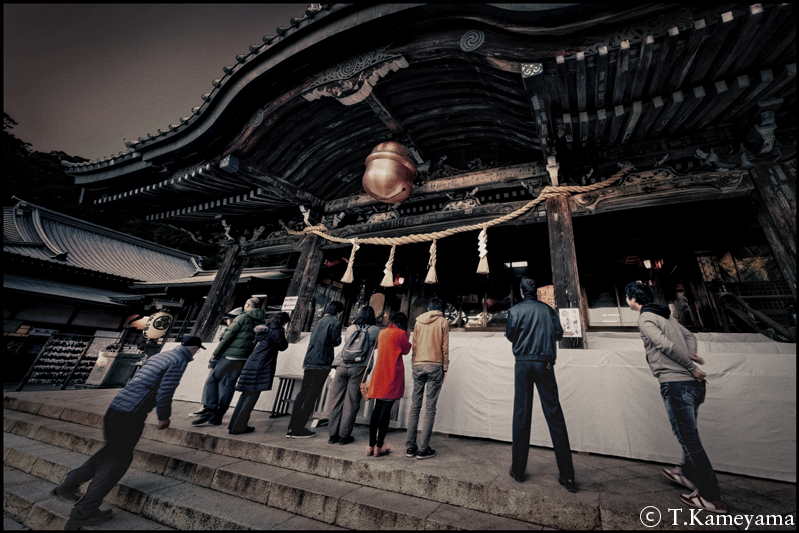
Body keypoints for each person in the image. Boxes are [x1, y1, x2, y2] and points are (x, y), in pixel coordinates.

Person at [52, 336, 204, 530]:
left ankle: (68, 485)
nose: (196, 353)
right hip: (131, 414)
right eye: (197, 350)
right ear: (192, 349)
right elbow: (166, 390)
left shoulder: (162, 356)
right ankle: (84, 512)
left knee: (111, 452)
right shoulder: (178, 360)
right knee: (117, 462)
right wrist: (163, 416)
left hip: (117, 408)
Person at [624, 282, 727, 514]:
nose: (626, 300)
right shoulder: (667, 317)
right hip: (693, 386)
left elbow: (664, 345)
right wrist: (691, 353)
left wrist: (691, 366)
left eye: (626, 297)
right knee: (689, 435)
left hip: (677, 383)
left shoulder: (645, 318)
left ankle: (711, 497)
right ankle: (685, 472)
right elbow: (689, 336)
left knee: (689, 440)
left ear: (632, 298)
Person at [505, 277, 577, 492]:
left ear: (521, 291)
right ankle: (568, 476)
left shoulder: (515, 310)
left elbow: (510, 335)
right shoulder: (548, 310)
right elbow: (558, 333)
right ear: (535, 291)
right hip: (545, 362)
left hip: (523, 363)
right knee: (555, 415)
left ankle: (518, 470)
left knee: (521, 414)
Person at [194, 298, 266, 426]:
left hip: (231, 355)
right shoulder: (261, 321)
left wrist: (215, 354)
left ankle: (210, 409)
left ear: (247, 305)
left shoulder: (242, 317)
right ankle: (219, 415)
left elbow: (227, 338)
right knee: (229, 384)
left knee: (212, 380)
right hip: (244, 357)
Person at [286, 301, 344, 438]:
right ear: (338, 311)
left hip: (309, 360)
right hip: (322, 362)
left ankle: (292, 426)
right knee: (312, 395)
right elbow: (335, 341)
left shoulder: (318, 321)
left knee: (303, 393)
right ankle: (299, 428)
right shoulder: (335, 322)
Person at [227, 312, 290, 435]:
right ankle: (239, 427)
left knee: (245, 396)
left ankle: (234, 425)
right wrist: (284, 333)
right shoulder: (277, 330)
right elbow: (283, 346)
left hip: (252, 363)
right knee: (252, 396)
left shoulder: (265, 329)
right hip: (262, 365)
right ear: (284, 322)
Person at [327, 305, 380, 445]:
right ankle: (344, 436)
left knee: (335, 399)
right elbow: (377, 346)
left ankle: (332, 435)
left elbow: (347, 343)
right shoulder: (375, 330)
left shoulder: (351, 328)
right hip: (359, 367)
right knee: (351, 401)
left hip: (342, 364)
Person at [405, 297, 449, 460]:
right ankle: (423, 449)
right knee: (430, 407)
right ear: (440, 310)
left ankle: (410, 447)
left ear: (428, 308)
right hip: (435, 365)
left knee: (415, 406)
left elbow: (414, 346)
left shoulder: (418, 322)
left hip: (418, 365)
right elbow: (444, 347)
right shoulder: (443, 322)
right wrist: (445, 368)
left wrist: (413, 366)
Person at [365, 312, 412, 457]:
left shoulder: (382, 332)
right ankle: (379, 447)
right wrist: (407, 334)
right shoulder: (401, 334)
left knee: (377, 408)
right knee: (386, 410)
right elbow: (406, 350)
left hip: (379, 374)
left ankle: (370, 446)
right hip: (392, 374)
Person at [193, 307, 242, 416]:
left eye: (228, 319)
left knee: (213, 383)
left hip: (223, 360)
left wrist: (213, 358)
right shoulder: (236, 330)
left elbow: (223, 346)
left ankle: (209, 407)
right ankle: (212, 408)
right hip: (230, 360)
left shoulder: (232, 330)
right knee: (220, 385)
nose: (226, 321)